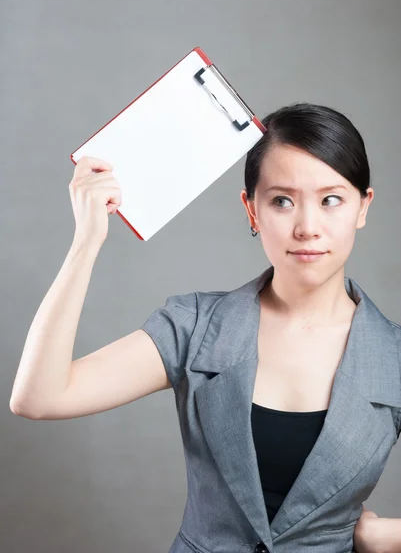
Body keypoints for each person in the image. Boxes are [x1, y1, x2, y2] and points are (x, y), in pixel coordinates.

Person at [10, 103, 401, 553]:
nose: (307, 227)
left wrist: (382, 536)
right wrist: (87, 241)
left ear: (362, 207)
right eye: (282, 201)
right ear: (251, 210)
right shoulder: (195, 327)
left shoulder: (391, 355)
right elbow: (37, 397)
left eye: (331, 199)